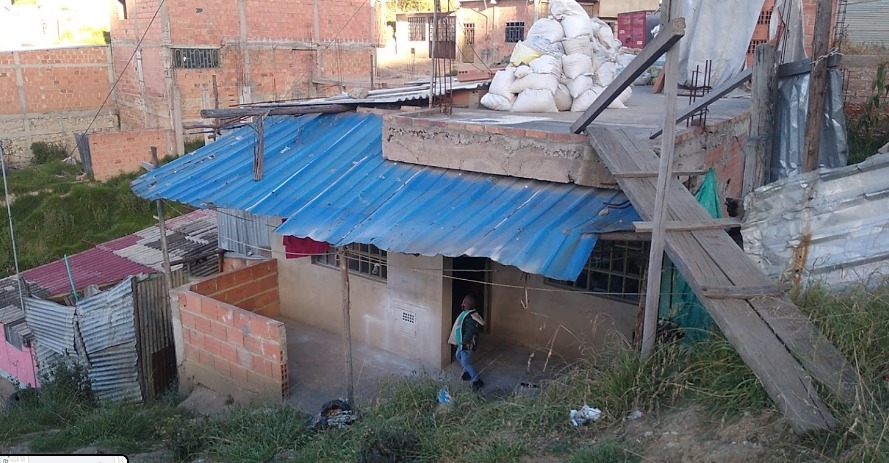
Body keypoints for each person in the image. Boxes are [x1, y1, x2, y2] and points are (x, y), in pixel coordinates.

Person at [448, 294, 486, 390]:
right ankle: (467, 372)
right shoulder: (466, 314)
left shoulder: (471, 319)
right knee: (458, 356)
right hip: (462, 344)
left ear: (469, 305)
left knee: (465, 362)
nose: (463, 304)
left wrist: (464, 343)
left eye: (465, 302)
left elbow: (469, 332)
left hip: (466, 345)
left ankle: (476, 380)